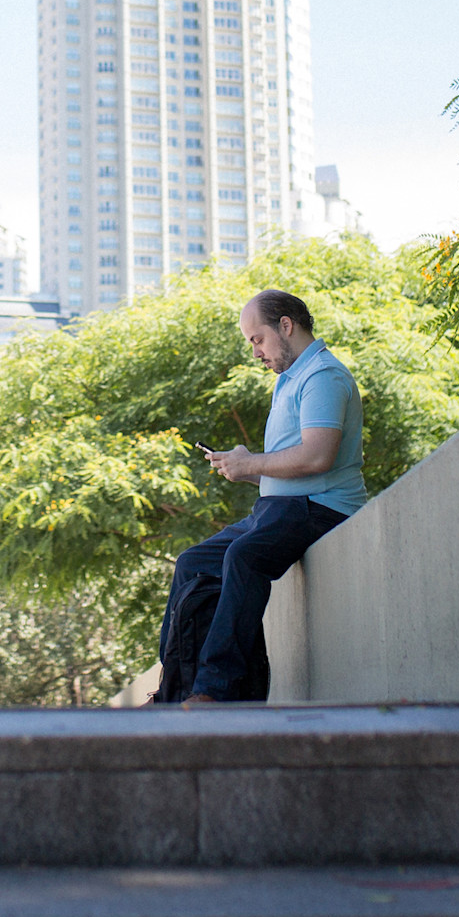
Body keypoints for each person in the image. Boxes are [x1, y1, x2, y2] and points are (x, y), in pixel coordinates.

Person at [160, 288, 365, 705]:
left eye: (257, 339)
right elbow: (288, 471)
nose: (255, 352)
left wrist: (252, 463)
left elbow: (318, 457)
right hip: (282, 506)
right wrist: (244, 469)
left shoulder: (323, 376)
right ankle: (174, 689)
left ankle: (216, 690)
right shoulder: (289, 380)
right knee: (191, 563)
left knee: (244, 556)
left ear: (285, 326)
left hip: (322, 508)